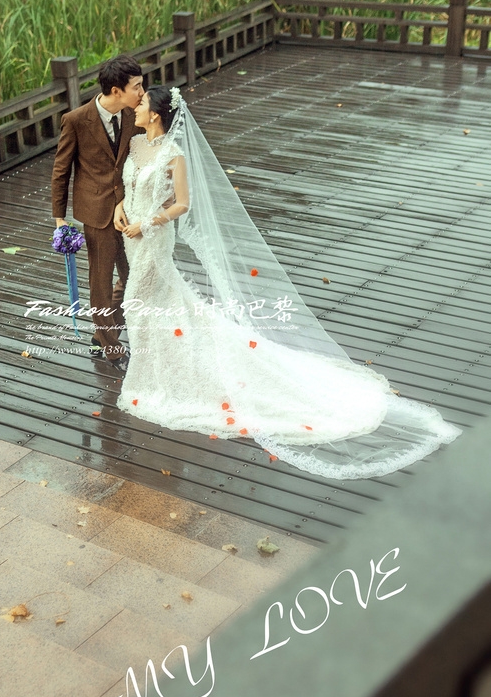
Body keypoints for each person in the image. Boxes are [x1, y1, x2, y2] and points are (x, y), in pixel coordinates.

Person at [113, 85, 461, 480]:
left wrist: (149, 222)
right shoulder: (136, 144)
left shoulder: (174, 155)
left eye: (142, 102)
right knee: (152, 304)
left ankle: (150, 378)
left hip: (153, 238)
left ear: (157, 113)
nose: (136, 105)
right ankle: (156, 368)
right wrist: (121, 207)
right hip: (131, 236)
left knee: (139, 301)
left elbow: (182, 204)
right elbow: (129, 185)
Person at [51, 54, 144, 370]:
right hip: (96, 213)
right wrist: (60, 219)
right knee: (101, 283)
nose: (142, 92)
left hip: (129, 210)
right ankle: (112, 348)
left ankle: (102, 332)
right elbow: (61, 170)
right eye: (136, 86)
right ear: (117, 90)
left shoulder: (133, 114)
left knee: (133, 277)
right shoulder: (76, 120)